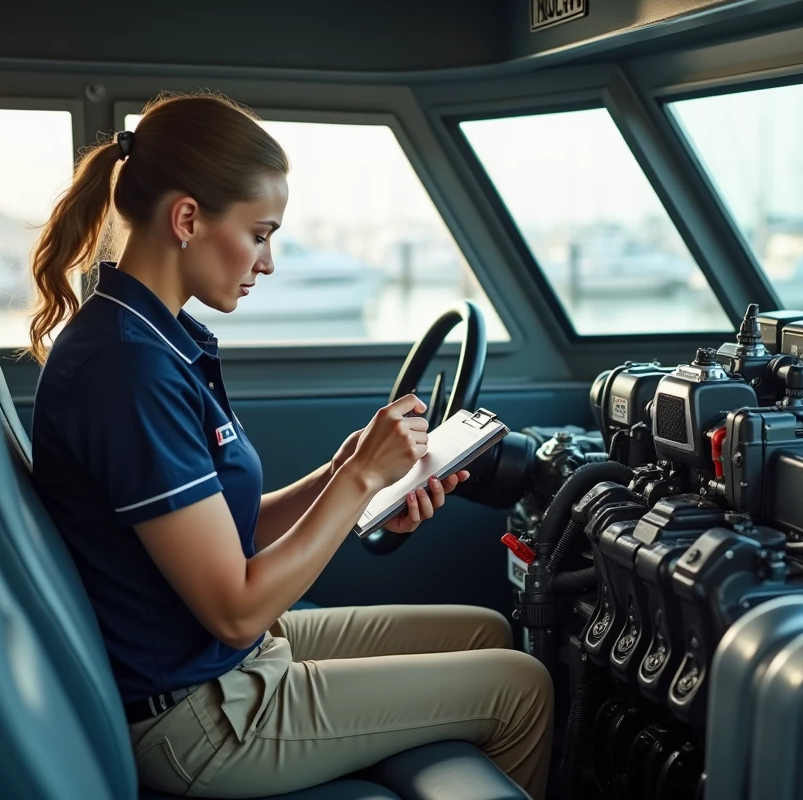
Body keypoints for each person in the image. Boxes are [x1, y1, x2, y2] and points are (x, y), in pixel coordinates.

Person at [27, 91, 553, 799]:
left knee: (486, 632)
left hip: (223, 661)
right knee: (520, 686)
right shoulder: (128, 369)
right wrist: (358, 483)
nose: (268, 261)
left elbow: (228, 534)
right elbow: (236, 608)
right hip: (198, 718)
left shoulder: (154, 340)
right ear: (187, 219)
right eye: (260, 234)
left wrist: (346, 471)